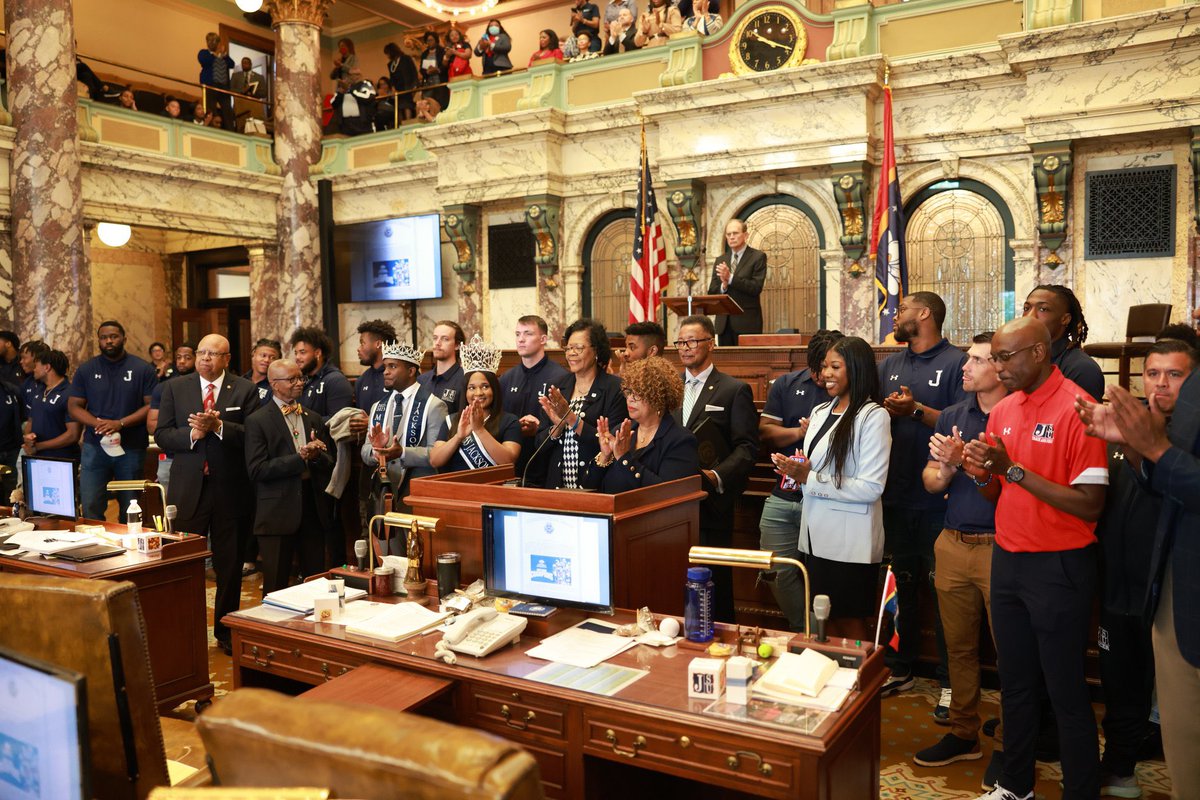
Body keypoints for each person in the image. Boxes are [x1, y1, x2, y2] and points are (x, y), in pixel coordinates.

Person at [963, 316, 1108, 800]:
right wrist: (982, 474)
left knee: (1066, 691)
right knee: (1015, 684)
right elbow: (999, 494)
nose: (997, 367)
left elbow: (1089, 504)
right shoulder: (1003, 410)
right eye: (994, 358)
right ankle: (1015, 786)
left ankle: (1081, 791)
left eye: (1006, 357)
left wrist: (1014, 470)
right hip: (1009, 560)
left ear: (1040, 353)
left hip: (1059, 565)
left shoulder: (1079, 409)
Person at [1077, 338, 1200, 800]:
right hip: (1119, 587)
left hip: (1170, 594)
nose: (1161, 384)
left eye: (1176, 374)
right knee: (1121, 682)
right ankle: (1122, 765)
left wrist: (1149, 447)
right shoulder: (1128, 432)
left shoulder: (1184, 441)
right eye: (1153, 374)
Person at [911, 332, 1008, 786]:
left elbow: (1013, 486)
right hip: (952, 542)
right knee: (959, 647)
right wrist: (947, 466)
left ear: (1001, 368)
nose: (965, 367)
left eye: (977, 360)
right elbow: (932, 482)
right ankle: (964, 733)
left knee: (1012, 651)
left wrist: (968, 465)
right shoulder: (953, 415)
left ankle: (1012, 742)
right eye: (967, 358)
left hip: (1002, 548)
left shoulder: (1015, 416)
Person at [876, 291, 968, 704]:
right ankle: (901, 668)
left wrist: (915, 410)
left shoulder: (957, 362)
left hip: (940, 501)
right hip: (895, 497)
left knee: (945, 597)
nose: (896, 315)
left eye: (903, 309)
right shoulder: (891, 363)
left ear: (926, 314)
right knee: (901, 591)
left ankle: (952, 684)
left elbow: (961, 424)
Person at [772, 336, 889, 641]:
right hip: (816, 535)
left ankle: (862, 683)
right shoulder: (822, 411)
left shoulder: (873, 416)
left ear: (856, 369)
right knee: (826, 620)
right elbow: (814, 466)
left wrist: (809, 478)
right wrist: (792, 468)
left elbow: (871, 487)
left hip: (850, 541)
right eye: (824, 366)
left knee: (849, 620)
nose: (825, 373)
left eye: (835, 366)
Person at [155, 334, 258, 655]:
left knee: (229, 565)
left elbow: (254, 435)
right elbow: (161, 434)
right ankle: (183, 627)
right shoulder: (176, 387)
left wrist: (220, 427)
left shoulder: (245, 389)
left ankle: (226, 631)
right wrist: (193, 433)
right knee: (183, 563)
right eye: (201, 352)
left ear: (227, 358)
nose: (205, 359)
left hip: (230, 490)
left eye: (213, 354)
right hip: (188, 489)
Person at [672, 314, 758, 622]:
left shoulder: (733, 389)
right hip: (671, 500)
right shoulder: (670, 387)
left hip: (711, 503)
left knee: (714, 580)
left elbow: (747, 448)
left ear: (712, 344)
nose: (686, 347)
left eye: (692, 341)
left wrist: (715, 476)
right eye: (680, 341)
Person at [757, 329, 840, 632]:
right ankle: (804, 629)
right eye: (817, 369)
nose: (823, 376)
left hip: (829, 496)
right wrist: (798, 433)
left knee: (824, 573)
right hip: (784, 492)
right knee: (775, 568)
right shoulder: (787, 384)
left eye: (831, 367)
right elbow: (765, 431)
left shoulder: (848, 392)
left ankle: (824, 635)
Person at [245, 359, 336, 594]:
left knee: (315, 583)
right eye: (292, 379)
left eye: (301, 378)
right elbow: (257, 470)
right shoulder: (258, 420)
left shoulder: (313, 417)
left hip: (311, 507)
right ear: (274, 384)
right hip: (276, 510)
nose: (299, 384)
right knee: (275, 584)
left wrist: (315, 456)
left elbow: (330, 462)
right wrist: (299, 458)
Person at [68, 321, 157, 522]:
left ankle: (130, 549)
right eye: (104, 337)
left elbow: (151, 405)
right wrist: (96, 423)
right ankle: (95, 547)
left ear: (124, 339)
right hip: (94, 447)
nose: (109, 341)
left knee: (131, 506)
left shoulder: (142, 369)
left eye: (114, 336)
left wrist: (120, 423)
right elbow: (73, 406)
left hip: (131, 447)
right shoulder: (87, 369)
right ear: (98, 340)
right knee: (91, 503)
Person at [361, 341, 448, 536]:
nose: (385, 372)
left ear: (411, 371)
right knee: (386, 555)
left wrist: (402, 453)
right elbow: (365, 451)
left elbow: (437, 455)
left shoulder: (433, 405)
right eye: (385, 367)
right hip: (384, 491)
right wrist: (377, 451)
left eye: (393, 366)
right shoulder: (378, 407)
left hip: (416, 492)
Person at [535, 318, 626, 490]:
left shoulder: (614, 389)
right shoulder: (558, 387)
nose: (571, 353)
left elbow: (613, 444)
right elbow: (539, 444)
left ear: (596, 350)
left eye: (578, 348)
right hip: (557, 489)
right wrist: (557, 428)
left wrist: (570, 419)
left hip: (598, 486)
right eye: (568, 348)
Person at [584, 356, 695, 492]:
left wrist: (624, 458)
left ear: (659, 397)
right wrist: (604, 456)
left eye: (639, 393)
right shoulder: (620, 431)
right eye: (629, 392)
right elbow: (588, 486)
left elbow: (667, 493)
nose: (630, 399)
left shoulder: (680, 440)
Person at [431, 337, 521, 473]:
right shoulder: (452, 420)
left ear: (494, 389)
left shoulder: (510, 422)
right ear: (465, 391)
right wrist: (458, 436)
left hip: (493, 489)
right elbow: (435, 460)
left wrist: (479, 430)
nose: (478, 393)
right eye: (472, 388)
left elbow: (508, 461)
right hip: (454, 488)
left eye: (485, 386)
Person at [500, 315, 569, 483]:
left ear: (543, 339)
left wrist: (540, 427)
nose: (521, 340)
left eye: (528, 334)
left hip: (546, 459)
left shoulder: (560, 377)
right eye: (517, 334)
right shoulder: (506, 378)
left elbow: (566, 421)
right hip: (513, 461)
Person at [1022, 284, 1103, 401]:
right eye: (1026, 308)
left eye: (1043, 309)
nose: (1030, 316)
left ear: (1065, 319)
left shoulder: (1082, 369)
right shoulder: (1019, 360)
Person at [708, 219, 767, 346]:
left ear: (745, 235)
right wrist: (723, 286)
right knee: (727, 364)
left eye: (735, 233)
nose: (731, 237)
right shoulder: (721, 259)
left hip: (747, 323)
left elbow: (756, 287)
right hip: (724, 324)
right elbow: (712, 291)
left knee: (748, 363)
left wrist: (730, 278)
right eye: (728, 234)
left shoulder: (758, 257)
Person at [23, 349, 81, 461]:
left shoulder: (70, 393)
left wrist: (39, 446)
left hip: (63, 459)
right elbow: (31, 421)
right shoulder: (39, 391)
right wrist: (28, 438)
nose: (33, 369)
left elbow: (73, 435)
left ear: (47, 367)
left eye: (36, 365)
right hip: (37, 458)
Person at [290, 326, 353, 421]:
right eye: (296, 353)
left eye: (302, 352)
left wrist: (302, 423)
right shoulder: (303, 379)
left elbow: (338, 421)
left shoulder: (335, 380)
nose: (297, 357)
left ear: (317, 353)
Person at [417, 321, 467, 415]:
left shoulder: (465, 379)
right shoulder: (421, 380)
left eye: (445, 339)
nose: (437, 343)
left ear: (457, 345)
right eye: (435, 338)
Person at [197, 32, 234, 130]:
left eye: (215, 41)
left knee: (227, 110)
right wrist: (216, 55)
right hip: (210, 85)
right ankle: (211, 128)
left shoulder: (222, 56)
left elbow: (231, 64)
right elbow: (205, 61)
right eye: (210, 41)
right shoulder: (203, 53)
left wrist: (224, 55)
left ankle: (230, 131)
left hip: (223, 87)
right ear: (207, 42)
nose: (212, 43)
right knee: (210, 109)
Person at [383, 42, 418, 122]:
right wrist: (392, 87)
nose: (387, 56)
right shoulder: (391, 64)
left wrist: (414, 86)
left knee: (406, 106)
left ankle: (408, 122)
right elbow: (391, 77)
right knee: (398, 107)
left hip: (408, 87)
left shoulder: (406, 59)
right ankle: (401, 124)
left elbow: (414, 72)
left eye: (388, 53)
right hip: (398, 89)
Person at [244, 338, 282, 409]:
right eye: (263, 355)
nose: (266, 360)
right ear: (253, 355)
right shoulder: (241, 381)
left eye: (272, 358)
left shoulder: (277, 388)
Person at [418, 32, 448, 110]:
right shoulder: (424, 54)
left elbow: (446, 65)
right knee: (429, 102)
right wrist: (427, 72)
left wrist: (437, 69)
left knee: (441, 102)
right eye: (428, 40)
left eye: (431, 40)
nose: (429, 42)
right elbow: (421, 69)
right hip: (428, 82)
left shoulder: (442, 50)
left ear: (436, 40)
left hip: (439, 80)